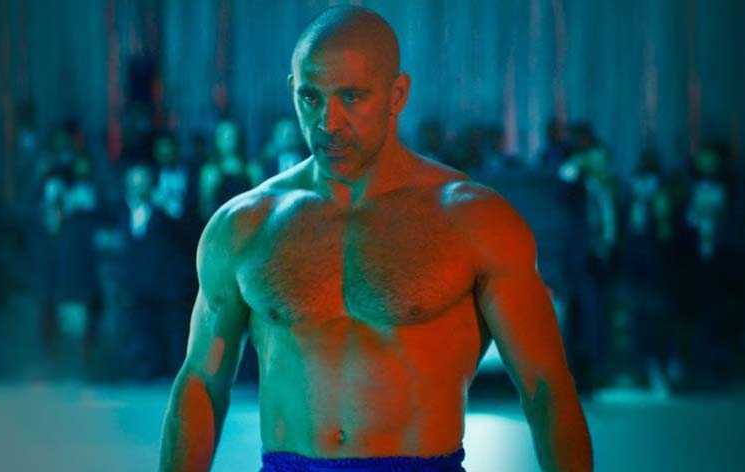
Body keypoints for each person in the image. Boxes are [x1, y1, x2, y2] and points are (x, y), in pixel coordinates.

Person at [159, 6, 592, 472]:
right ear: (292, 90)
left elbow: (546, 388)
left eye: (352, 97)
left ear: (397, 94)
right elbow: (201, 383)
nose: (329, 122)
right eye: (311, 98)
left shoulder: (473, 221)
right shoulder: (244, 226)